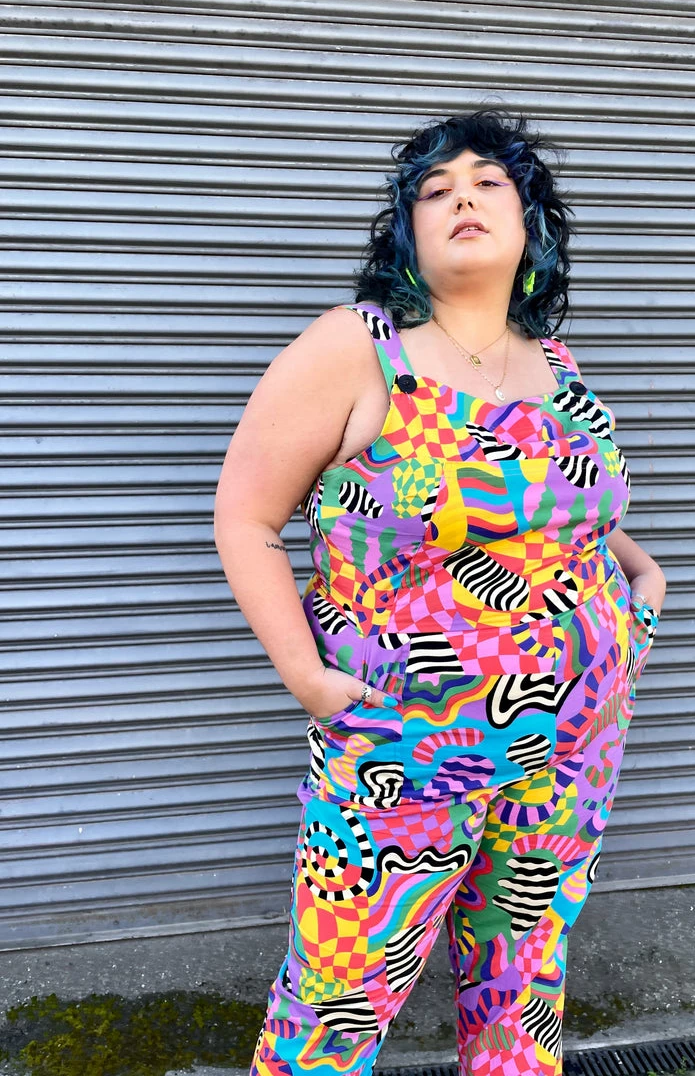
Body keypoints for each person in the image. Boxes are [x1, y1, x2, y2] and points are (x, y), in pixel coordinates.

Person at [214, 106, 666, 1076]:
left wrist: (642, 580)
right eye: (435, 189)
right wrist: (309, 680)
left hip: (575, 738)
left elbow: (558, 504)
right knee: (334, 1008)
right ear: (408, 233)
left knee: (522, 991)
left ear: (529, 224)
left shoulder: (557, 365)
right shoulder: (356, 347)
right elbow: (245, 519)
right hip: (404, 744)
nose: (463, 196)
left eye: (488, 182)